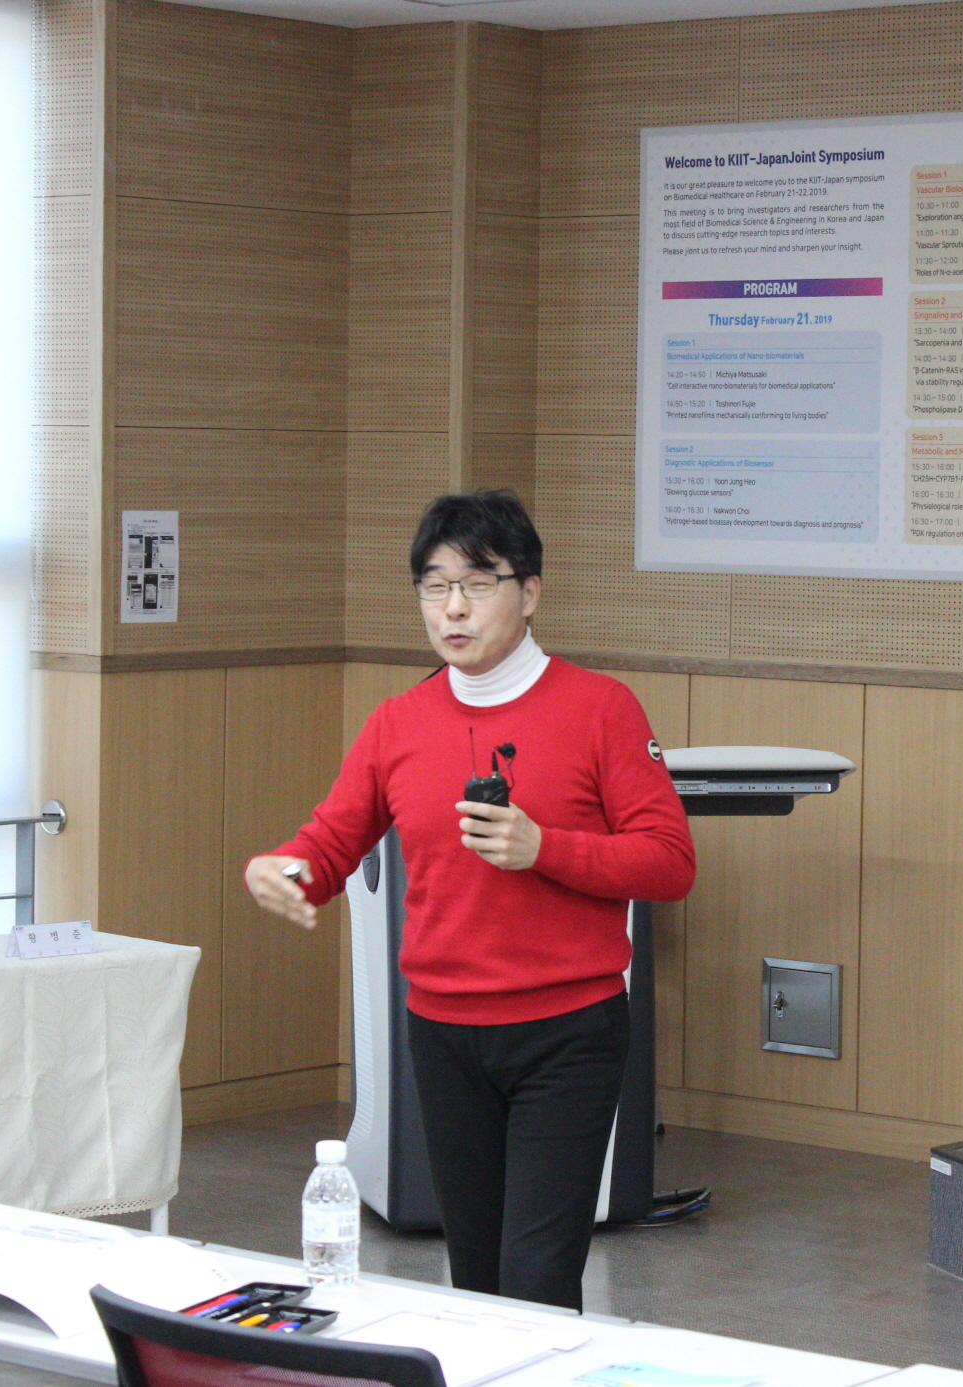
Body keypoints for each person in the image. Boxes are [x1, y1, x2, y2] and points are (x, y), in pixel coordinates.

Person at [245, 490, 695, 1311]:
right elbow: (331, 841)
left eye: (479, 583)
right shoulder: (398, 722)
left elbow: (669, 861)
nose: (453, 607)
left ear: (530, 592)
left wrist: (544, 848)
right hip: (444, 1032)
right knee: (477, 1281)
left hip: (568, 1031)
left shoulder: (601, 708)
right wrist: (286, 868)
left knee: (536, 1278)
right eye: (434, 584)